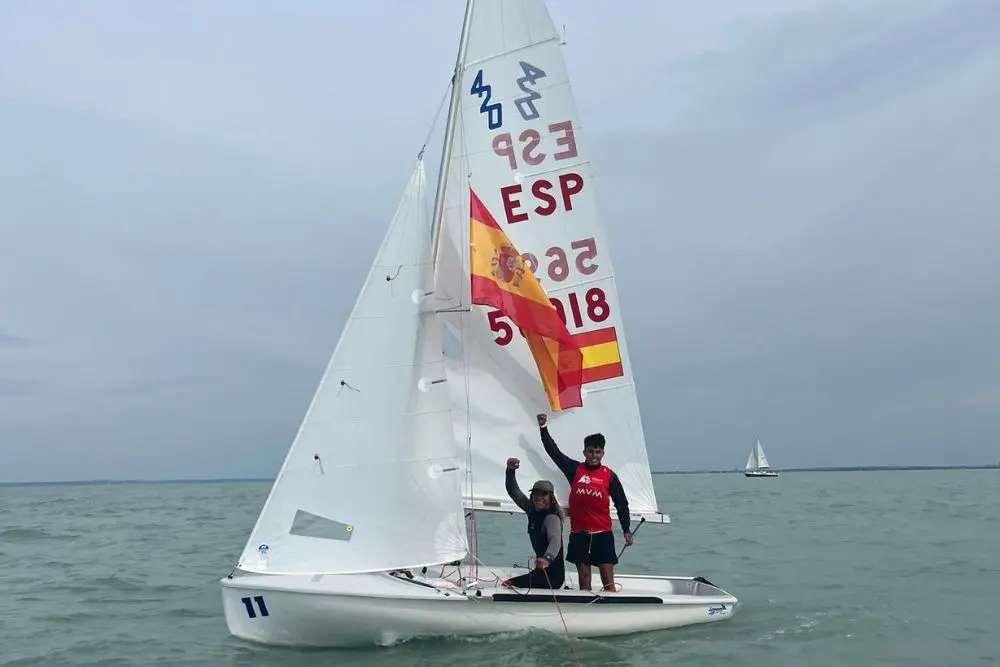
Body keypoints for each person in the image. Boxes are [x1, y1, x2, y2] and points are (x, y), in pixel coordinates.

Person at [536, 413, 633, 592]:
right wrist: (543, 428)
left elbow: (621, 504)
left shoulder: (609, 476)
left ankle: (609, 610)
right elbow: (554, 452)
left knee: (608, 580)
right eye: (590, 451)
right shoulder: (575, 469)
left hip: (602, 534)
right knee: (584, 578)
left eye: (597, 452)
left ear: (603, 453)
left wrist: (626, 529)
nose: (594, 455)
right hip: (580, 534)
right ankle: (585, 609)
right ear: (584, 453)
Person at [502, 456, 566, 590]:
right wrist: (510, 471)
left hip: (552, 577)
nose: (539, 497)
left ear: (551, 497)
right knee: (509, 583)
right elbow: (513, 491)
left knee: (508, 584)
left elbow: (555, 542)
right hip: (540, 572)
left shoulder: (552, 518)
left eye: (544, 494)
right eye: (536, 493)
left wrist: (547, 559)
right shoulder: (532, 510)